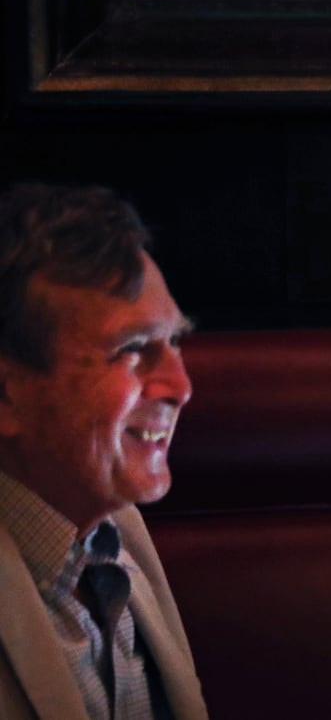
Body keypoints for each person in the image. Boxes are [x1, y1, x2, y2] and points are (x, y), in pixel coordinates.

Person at [0, 183, 208, 719]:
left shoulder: (117, 530)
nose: (179, 386)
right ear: (6, 394)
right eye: (133, 349)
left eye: (175, 341)